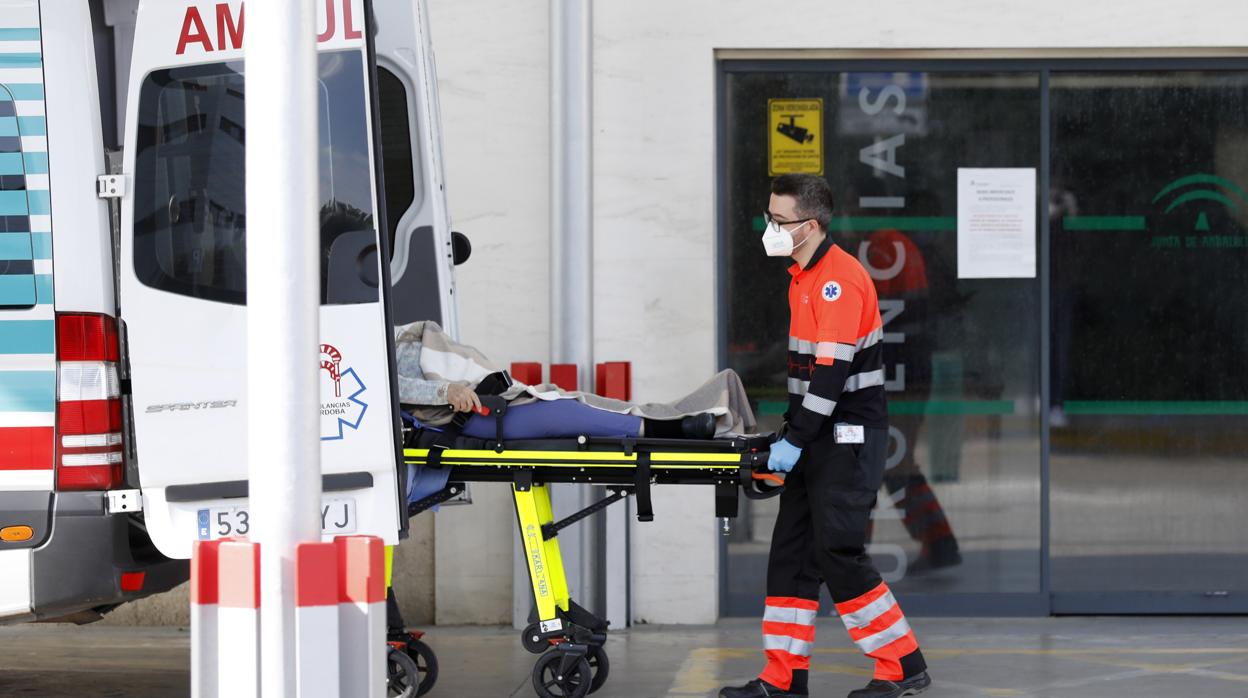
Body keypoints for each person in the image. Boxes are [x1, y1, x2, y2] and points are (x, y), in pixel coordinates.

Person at [720, 175, 931, 698]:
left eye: (779, 220)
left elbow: (831, 375)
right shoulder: (802, 276)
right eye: (768, 216)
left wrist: (795, 442)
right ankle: (784, 677)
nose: (769, 227)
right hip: (819, 433)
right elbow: (806, 374)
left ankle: (902, 664)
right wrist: (791, 437)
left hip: (848, 436)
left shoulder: (838, 279)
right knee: (792, 555)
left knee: (839, 551)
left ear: (809, 226)